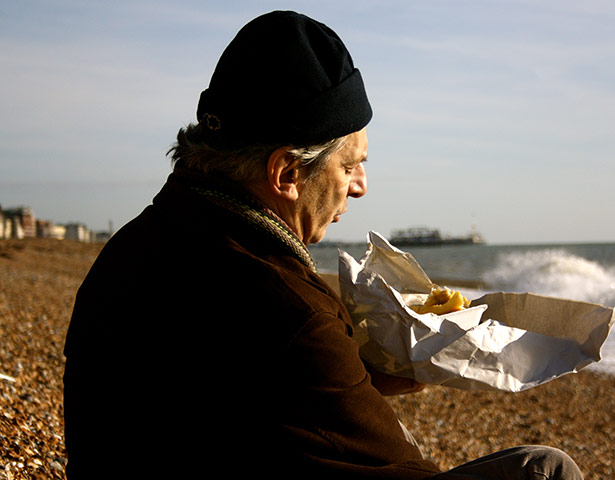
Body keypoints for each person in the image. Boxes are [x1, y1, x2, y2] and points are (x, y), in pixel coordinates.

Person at [63, 10, 583, 479]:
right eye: (350, 164)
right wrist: (341, 378)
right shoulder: (289, 309)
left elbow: (232, 401)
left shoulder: (134, 248)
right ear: (287, 172)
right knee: (545, 469)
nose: (360, 186)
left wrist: (355, 381)